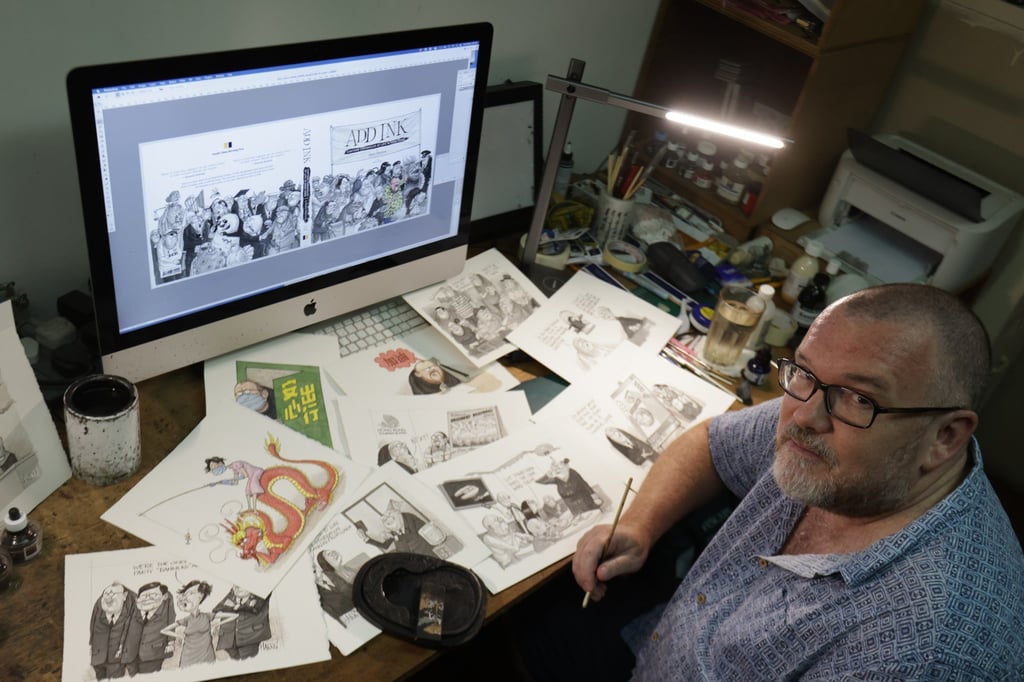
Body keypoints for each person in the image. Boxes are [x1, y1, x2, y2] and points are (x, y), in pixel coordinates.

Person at [523, 283, 1024, 680]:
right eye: (803, 373)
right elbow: (713, 444)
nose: (804, 417)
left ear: (945, 436)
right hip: (655, 641)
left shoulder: (918, 653)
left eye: (857, 397)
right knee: (540, 627)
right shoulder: (829, 420)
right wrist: (639, 525)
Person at [123, 581, 175, 675]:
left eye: (153, 595)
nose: (148, 598)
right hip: (131, 655)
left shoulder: (166, 609)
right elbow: (127, 628)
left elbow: (171, 624)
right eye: (144, 596)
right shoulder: (135, 611)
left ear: (164, 597)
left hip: (153, 655)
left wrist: (171, 642)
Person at [213, 584, 271, 660]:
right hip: (228, 642)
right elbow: (216, 610)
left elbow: (255, 609)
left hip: (250, 640)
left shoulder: (260, 595)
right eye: (235, 584)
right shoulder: (231, 595)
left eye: (241, 584)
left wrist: (235, 606)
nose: (237, 587)